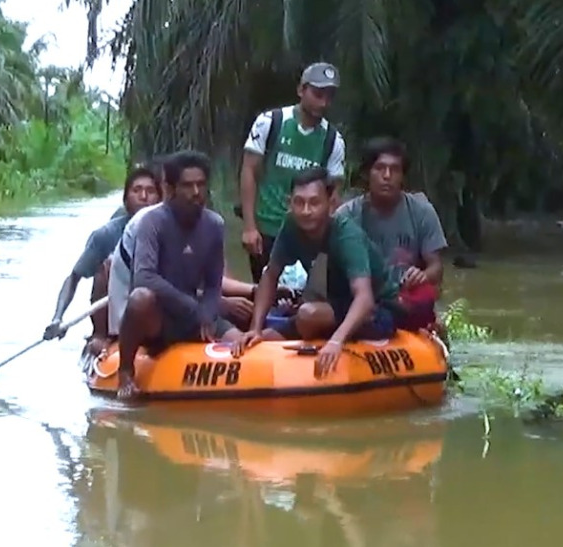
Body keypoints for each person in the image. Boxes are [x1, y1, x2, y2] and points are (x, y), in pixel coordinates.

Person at [115, 151, 256, 400]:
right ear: (170, 189)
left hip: (195, 316)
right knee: (140, 298)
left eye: (201, 185)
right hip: (162, 316)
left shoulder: (214, 224)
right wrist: (194, 307)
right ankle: (125, 370)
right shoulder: (151, 222)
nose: (196, 192)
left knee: (243, 346)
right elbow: (144, 278)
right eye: (187, 186)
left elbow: (213, 283)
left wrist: (208, 313)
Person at [243, 167, 410, 378]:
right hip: (333, 306)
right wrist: (255, 328)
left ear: (331, 204)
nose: (306, 211)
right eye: (299, 202)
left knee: (308, 314)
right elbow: (270, 276)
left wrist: (336, 341)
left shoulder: (346, 234)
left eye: (314, 203)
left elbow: (364, 298)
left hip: (377, 311)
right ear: (289, 203)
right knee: (266, 338)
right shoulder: (291, 226)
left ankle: (325, 339)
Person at [240, 62, 347, 283]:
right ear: (301, 90)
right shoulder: (271, 122)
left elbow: (334, 193)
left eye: (329, 97)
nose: (323, 103)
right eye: (318, 94)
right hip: (267, 228)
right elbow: (249, 170)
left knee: (307, 294)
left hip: (308, 234)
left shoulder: (333, 140)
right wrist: (250, 226)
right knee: (266, 289)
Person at [335, 137, 448, 331]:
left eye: (394, 170)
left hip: (404, 299)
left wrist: (422, 275)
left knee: (424, 297)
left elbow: (436, 268)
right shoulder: (346, 215)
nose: (387, 176)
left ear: (403, 176)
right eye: (380, 168)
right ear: (366, 174)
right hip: (362, 299)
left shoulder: (422, 212)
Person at [43, 166, 161, 343]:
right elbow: (74, 278)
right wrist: (57, 317)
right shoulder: (105, 235)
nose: (143, 197)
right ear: (125, 200)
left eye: (150, 191)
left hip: (155, 306)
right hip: (117, 310)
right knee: (107, 266)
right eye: (137, 190)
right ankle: (101, 335)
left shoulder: (172, 230)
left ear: (160, 199)